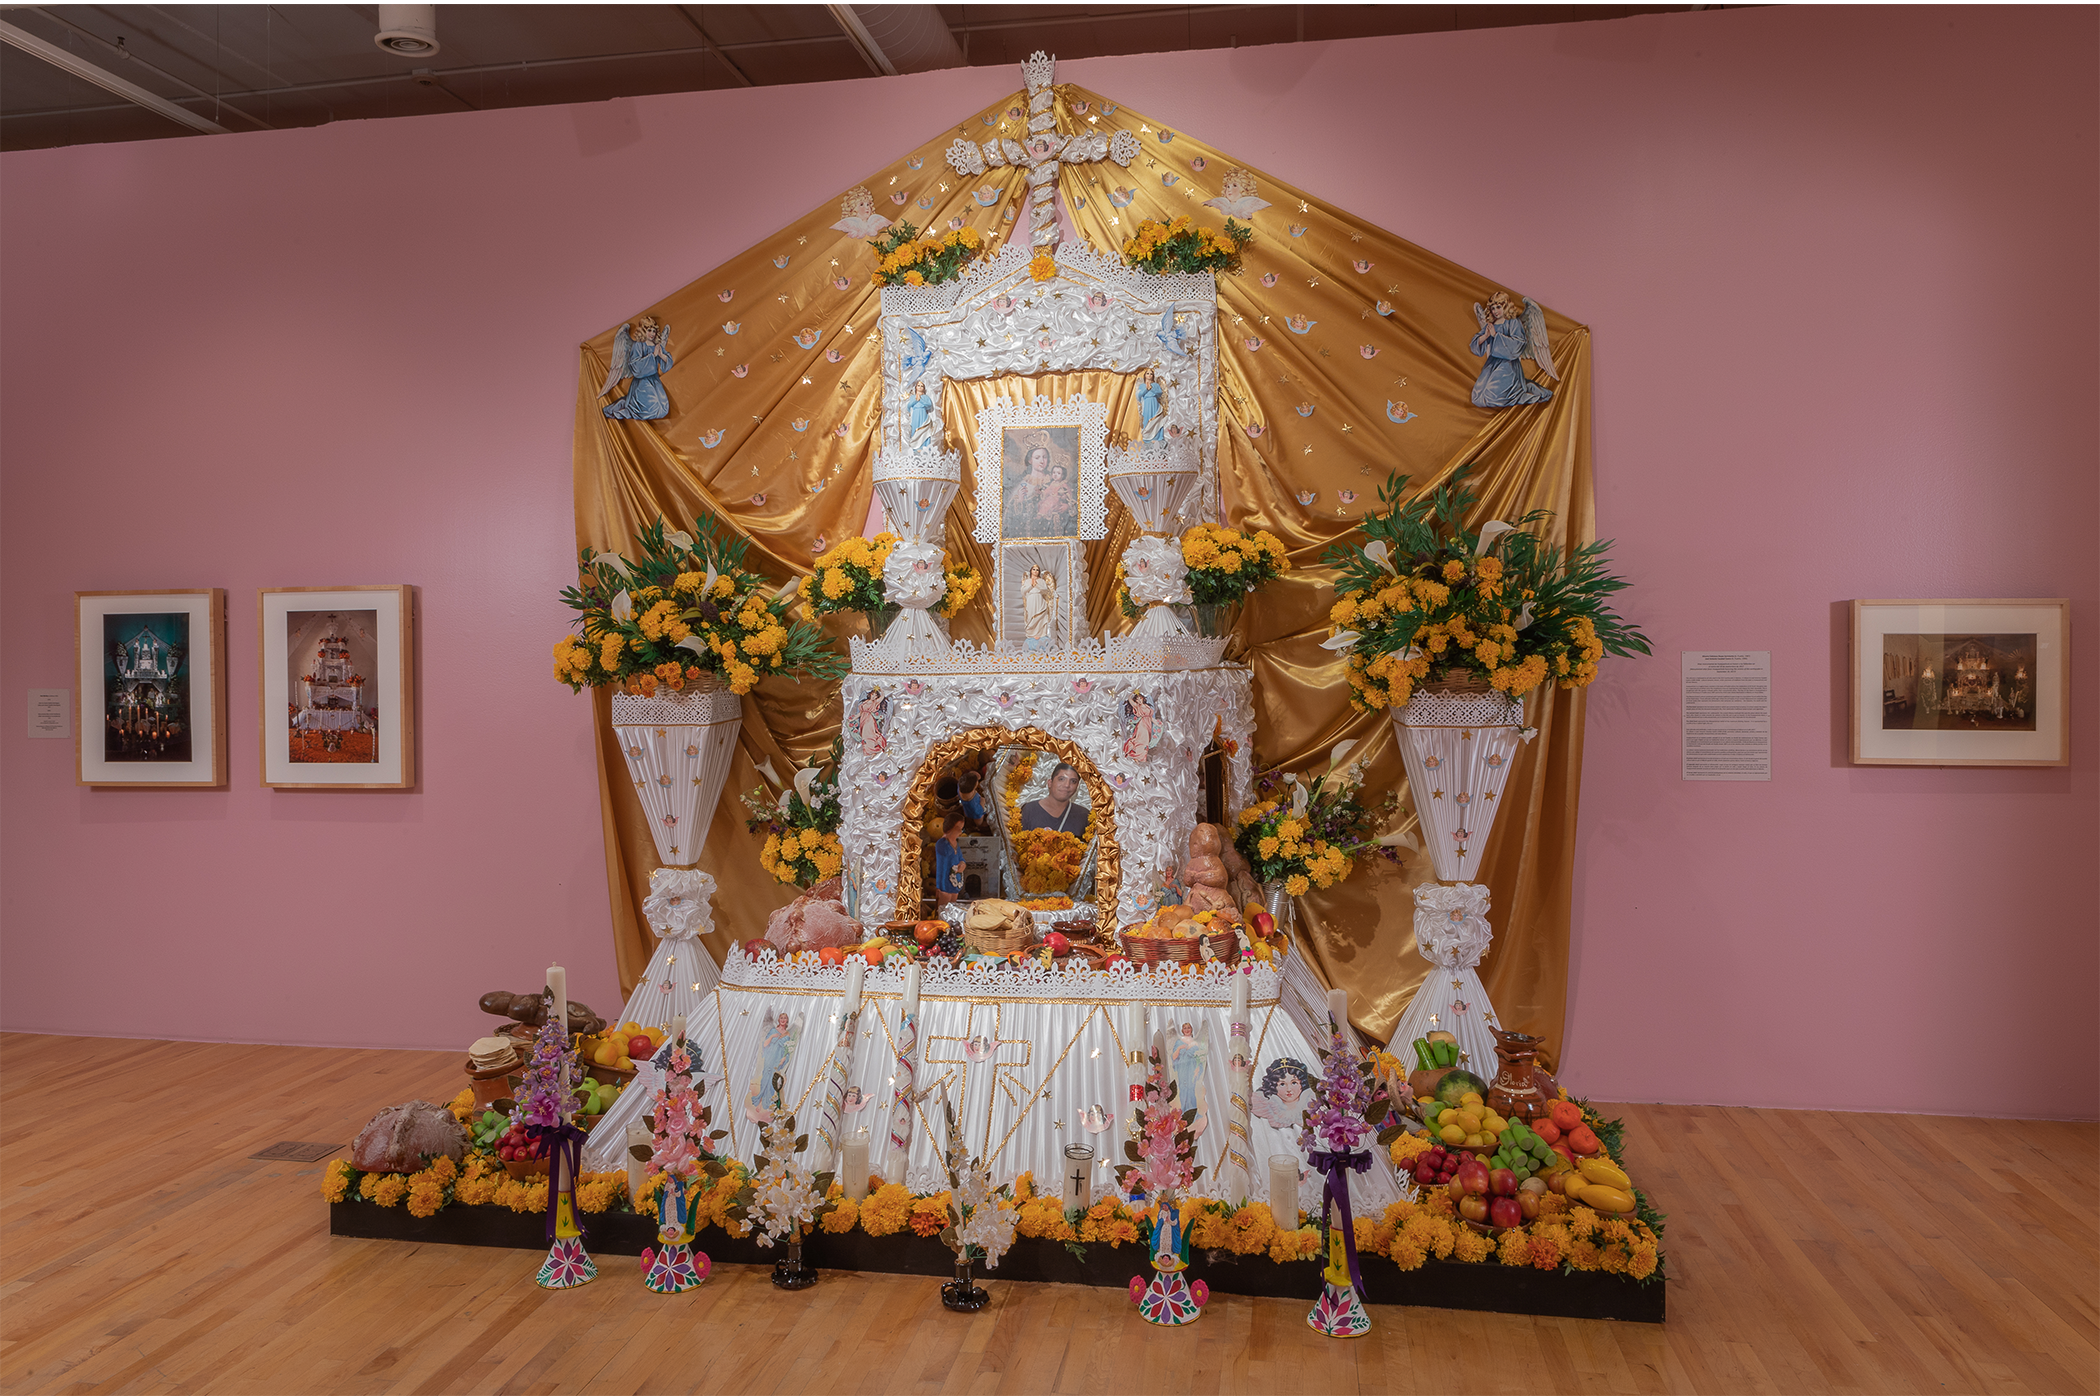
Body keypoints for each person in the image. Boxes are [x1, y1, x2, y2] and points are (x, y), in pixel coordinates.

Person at [1020, 762, 1089, 833]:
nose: (1067, 785)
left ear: (1077, 787)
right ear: (1050, 783)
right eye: (1061, 779)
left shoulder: (1084, 816)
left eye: (1073, 781)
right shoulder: (1029, 810)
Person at [932, 813, 967, 900]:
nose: (960, 832)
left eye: (961, 829)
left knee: (952, 903)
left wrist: (962, 863)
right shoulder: (942, 843)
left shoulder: (956, 844)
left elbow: (960, 858)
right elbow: (946, 856)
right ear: (949, 828)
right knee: (944, 905)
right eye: (958, 829)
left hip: (955, 881)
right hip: (945, 883)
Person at [1136, 367, 1168, 442]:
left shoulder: (1156, 385)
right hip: (1146, 403)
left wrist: (1152, 388)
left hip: (1154, 402)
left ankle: (1157, 437)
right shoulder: (1142, 385)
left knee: (1156, 419)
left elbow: (1159, 393)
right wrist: (1146, 389)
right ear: (1145, 375)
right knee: (1147, 420)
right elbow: (1139, 395)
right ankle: (1147, 438)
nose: (1149, 375)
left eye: (1151, 374)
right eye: (1148, 373)